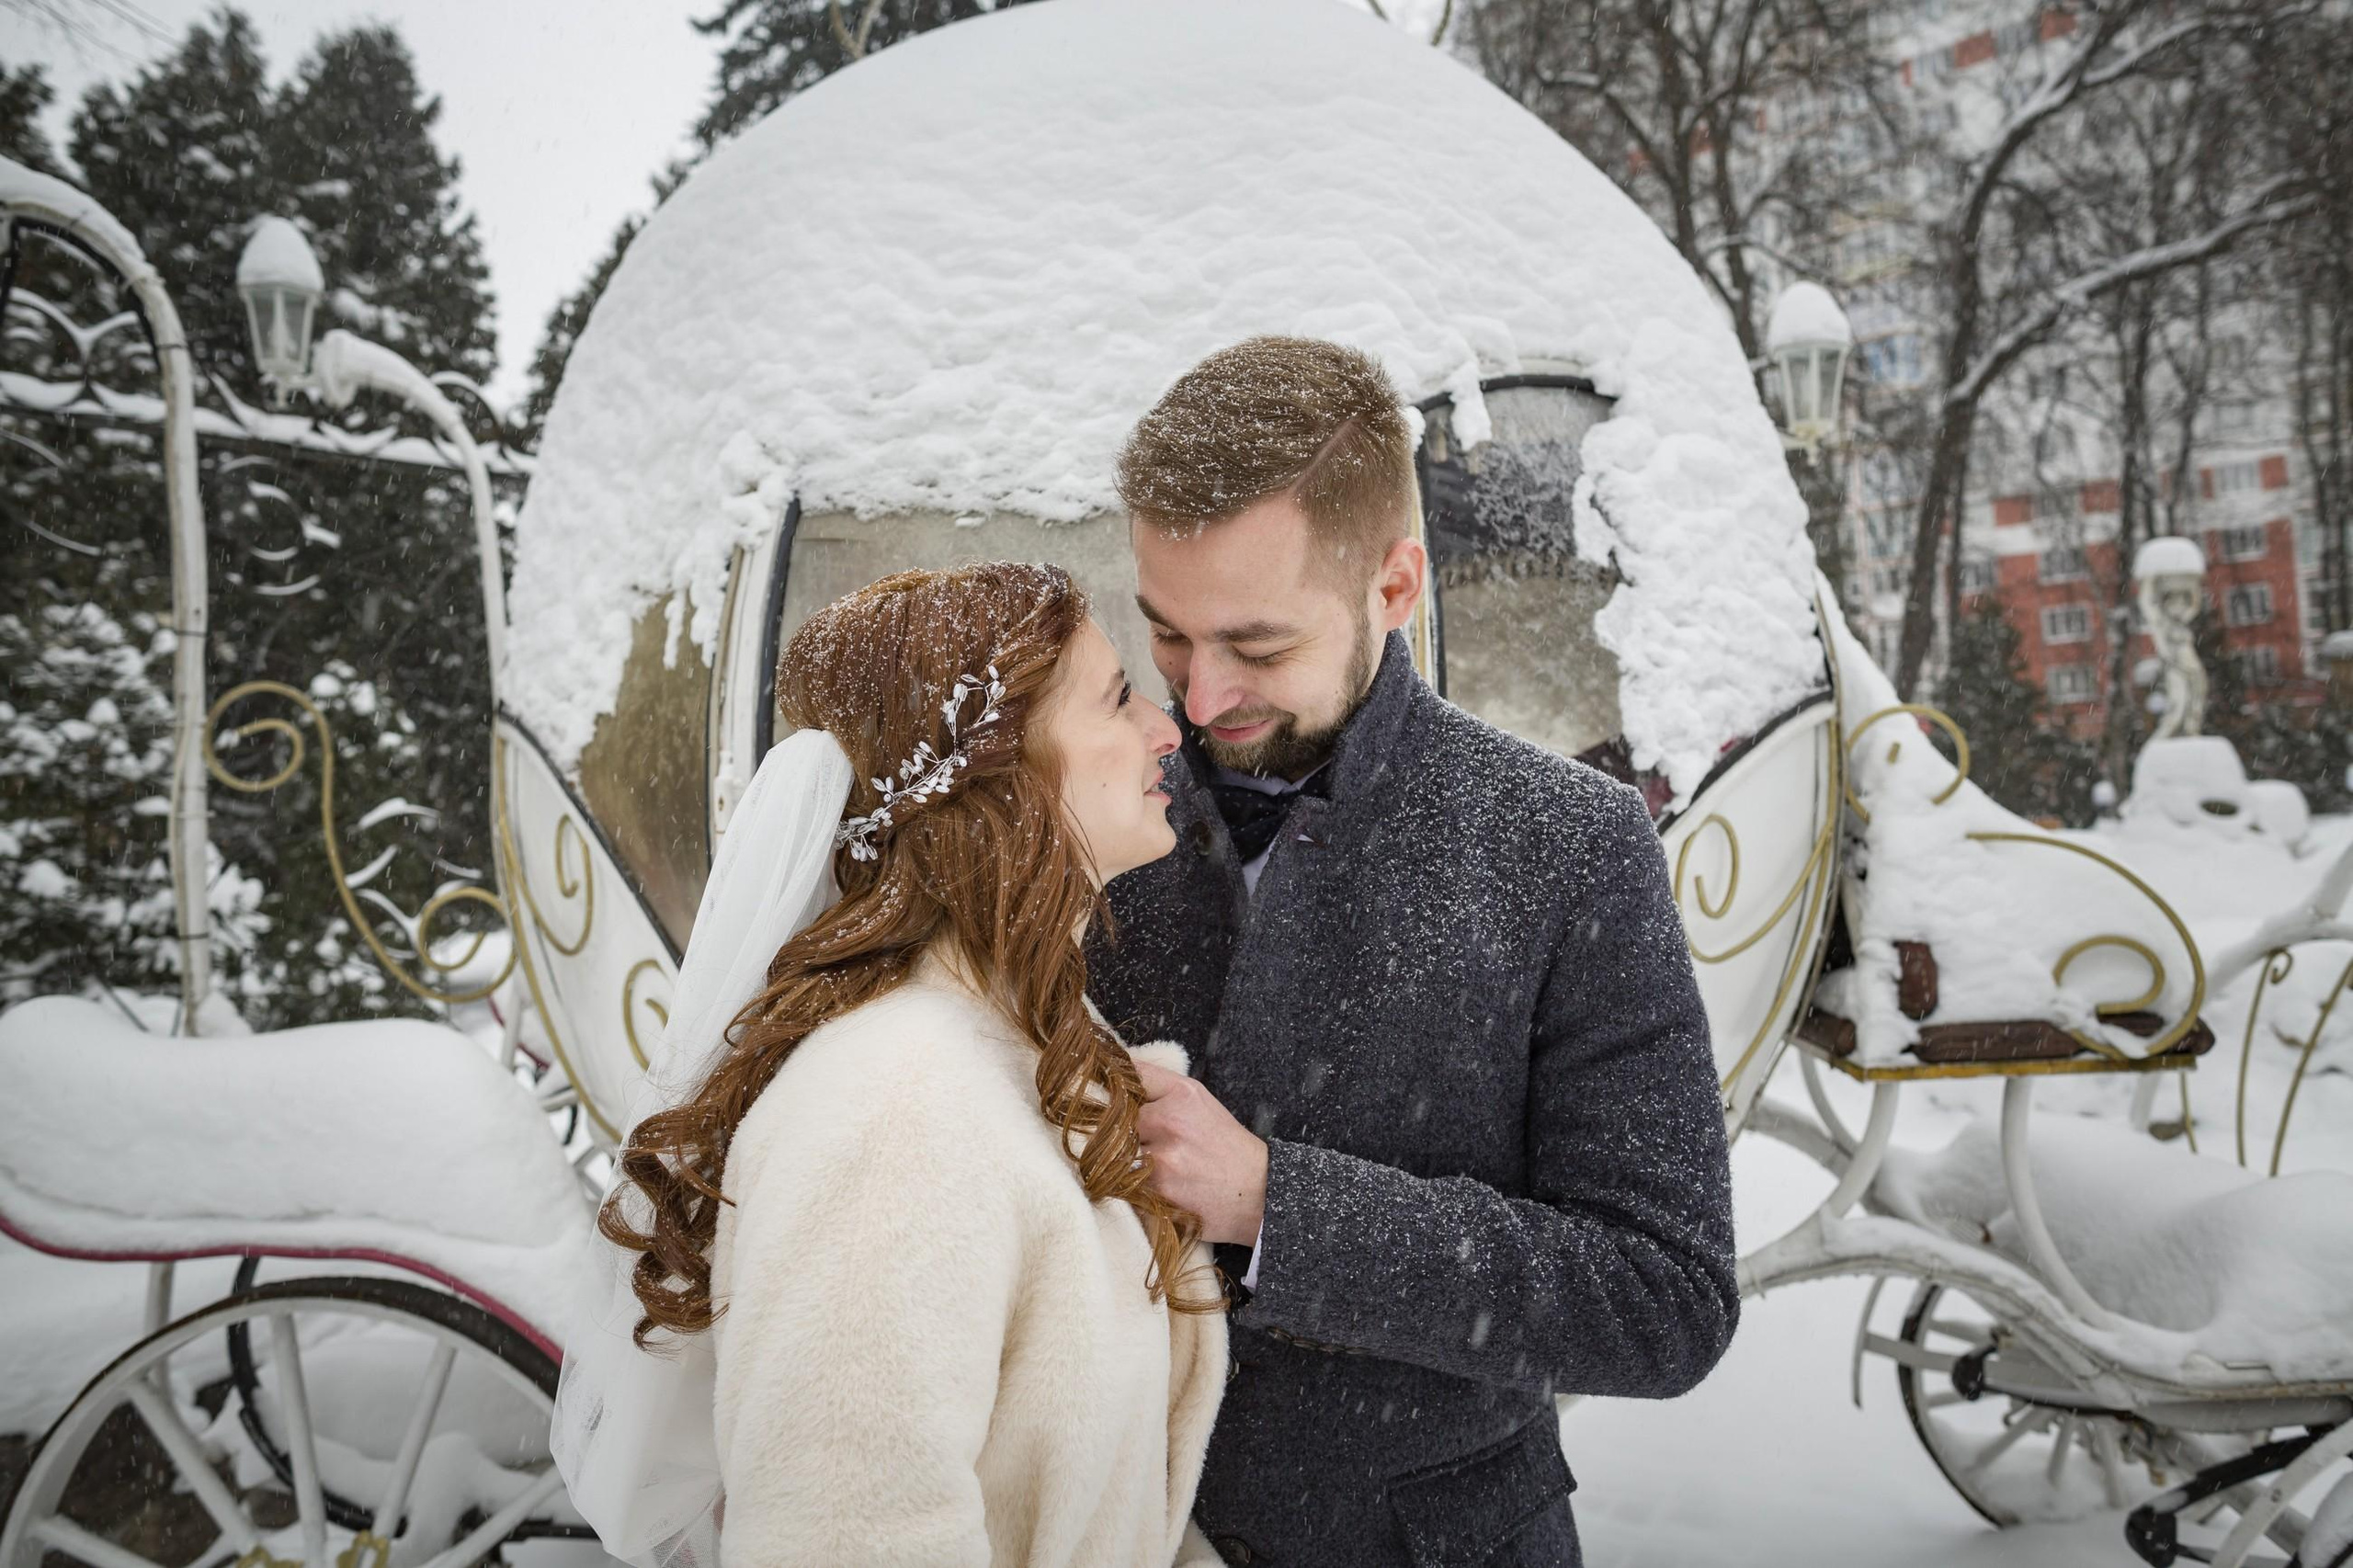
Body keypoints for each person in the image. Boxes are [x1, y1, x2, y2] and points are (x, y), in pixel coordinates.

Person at [1086, 337, 1741, 1567]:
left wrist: (1282, 1206)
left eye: (1260, 646)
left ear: (1396, 585)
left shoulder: (1571, 844)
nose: (1201, 694)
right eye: (1166, 632)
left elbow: (1666, 1296)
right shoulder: (1086, 806)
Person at [552, 562, 1231, 1568]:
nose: (1166, 727)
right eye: (1114, 697)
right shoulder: (894, 1109)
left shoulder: (1014, 1037)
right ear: (997, 771)